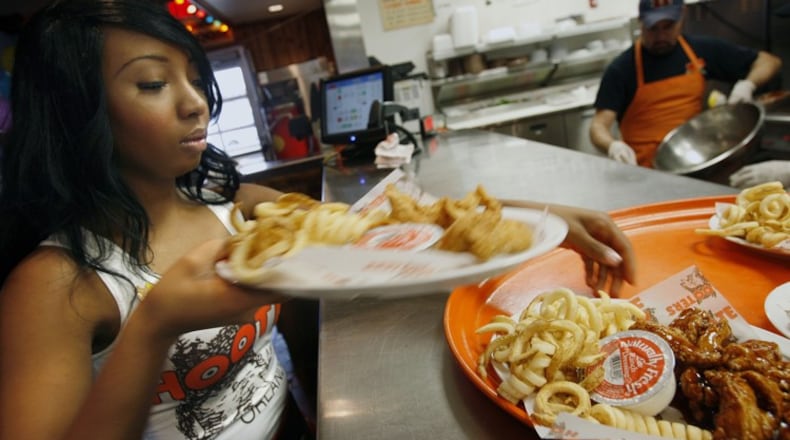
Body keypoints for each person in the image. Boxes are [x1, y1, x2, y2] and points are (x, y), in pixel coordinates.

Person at [0, 1, 636, 439]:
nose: (196, 103)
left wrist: (539, 220)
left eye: (193, 79)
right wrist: (154, 326)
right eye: (151, 84)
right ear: (76, 112)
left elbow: (372, 225)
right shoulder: (55, 284)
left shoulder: (231, 206)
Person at [590, 0, 782, 168]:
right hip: (645, 169)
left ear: (682, 17)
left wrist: (747, 85)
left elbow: (769, 62)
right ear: (640, 23)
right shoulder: (622, 69)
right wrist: (612, 145)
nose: (661, 36)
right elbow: (598, 126)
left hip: (694, 162)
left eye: (668, 26)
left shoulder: (700, 50)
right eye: (653, 28)